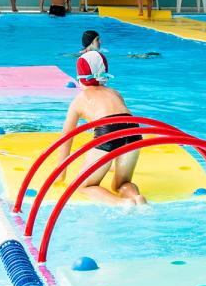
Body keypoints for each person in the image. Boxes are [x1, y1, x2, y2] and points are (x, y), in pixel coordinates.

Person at [54, 30, 147, 205]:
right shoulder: (114, 92)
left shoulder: (80, 99)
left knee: (83, 186)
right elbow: (121, 122)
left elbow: (66, 137)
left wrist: (61, 173)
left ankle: (122, 204)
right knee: (121, 184)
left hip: (108, 130)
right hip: (134, 130)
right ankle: (136, 198)